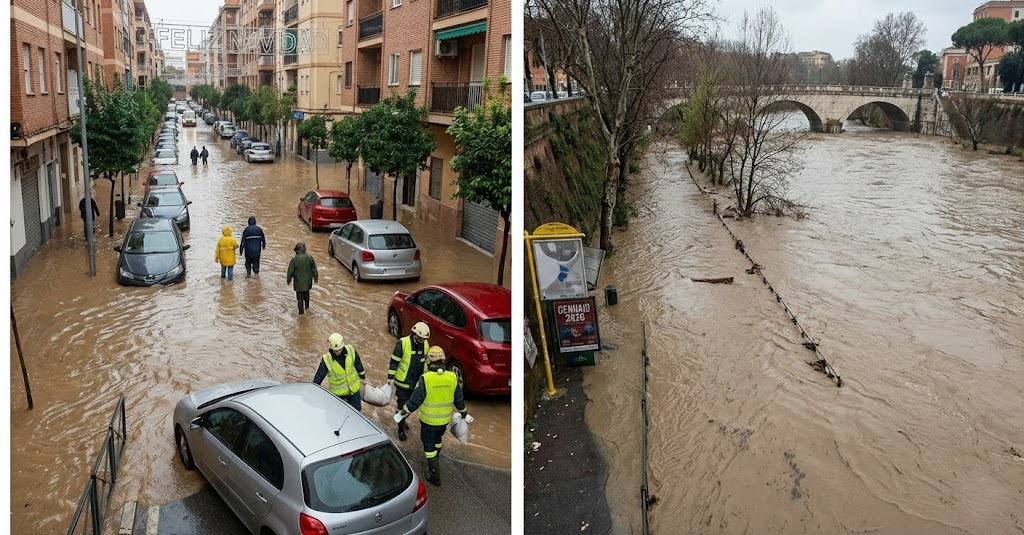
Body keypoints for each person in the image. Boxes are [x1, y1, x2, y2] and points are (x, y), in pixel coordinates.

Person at [395, 346, 468, 486]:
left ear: (429, 361)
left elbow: (414, 401)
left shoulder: (426, 379)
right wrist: (464, 413)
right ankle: (436, 456)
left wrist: (401, 414)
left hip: (428, 422)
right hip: (443, 422)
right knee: (438, 439)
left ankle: (434, 474)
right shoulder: (452, 377)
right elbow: (459, 400)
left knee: (428, 445)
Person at [388, 321, 430, 441]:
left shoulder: (425, 344)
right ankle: (400, 429)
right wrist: (390, 379)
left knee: (411, 406)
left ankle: (403, 420)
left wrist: (425, 378)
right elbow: (394, 362)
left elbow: (426, 363)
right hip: (403, 383)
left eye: (424, 338)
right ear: (415, 334)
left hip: (416, 382)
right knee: (402, 406)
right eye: (421, 338)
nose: (422, 340)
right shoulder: (403, 343)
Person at [312, 333, 366, 411]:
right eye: (336, 350)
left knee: (356, 412)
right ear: (331, 348)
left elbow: (358, 364)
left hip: (353, 390)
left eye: (340, 349)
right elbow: (319, 376)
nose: (338, 352)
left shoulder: (351, 350)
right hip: (339, 395)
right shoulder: (327, 359)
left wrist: (363, 378)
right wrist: (313, 389)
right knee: (341, 414)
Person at [286, 242, 318, 314]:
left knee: (300, 299)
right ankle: (307, 307)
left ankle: (301, 314)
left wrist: (289, 280)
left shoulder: (294, 259)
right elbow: (314, 269)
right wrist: (316, 278)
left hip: (298, 283)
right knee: (307, 295)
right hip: (307, 283)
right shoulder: (310, 257)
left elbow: (290, 271)